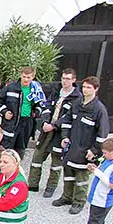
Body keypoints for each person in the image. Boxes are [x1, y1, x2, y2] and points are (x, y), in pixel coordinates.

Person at [53, 76, 110, 215]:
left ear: (96, 89)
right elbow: (66, 121)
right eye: (84, 87)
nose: (85, 90)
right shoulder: (77, 104)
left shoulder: (99, 110)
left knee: (81, 177)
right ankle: (67, 197)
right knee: (68, 173)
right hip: (72, 147)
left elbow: (102, 134)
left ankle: (79, 201)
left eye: (89, 87)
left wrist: (94, 150)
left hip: (86, 149)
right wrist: (65, 137)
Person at [29, 68, 81, 196]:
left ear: (74, 80)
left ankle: (50, 188)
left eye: (68, 79)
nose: (64, 81)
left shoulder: (77, 97)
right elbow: (47, 107)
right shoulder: (56, 91)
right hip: (46, 131)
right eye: (63, 78)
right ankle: (32, 184)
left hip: (60, 133)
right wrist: (45, 122)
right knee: (37, 157)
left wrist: (54, 126)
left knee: (56, 162)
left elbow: (68, 117)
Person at [0, 66, 47, 155]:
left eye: (28, 77)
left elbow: (42, 104)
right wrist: (4, 112)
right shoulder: (11, 87)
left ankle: (18, 163)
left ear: (33, 77)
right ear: (21, 75)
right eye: (24, 77)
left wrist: (37, 111)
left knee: (21, 149)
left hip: (27, 122)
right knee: (6, 149)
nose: (25, 79)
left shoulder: (36, 89)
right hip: (12, 122)